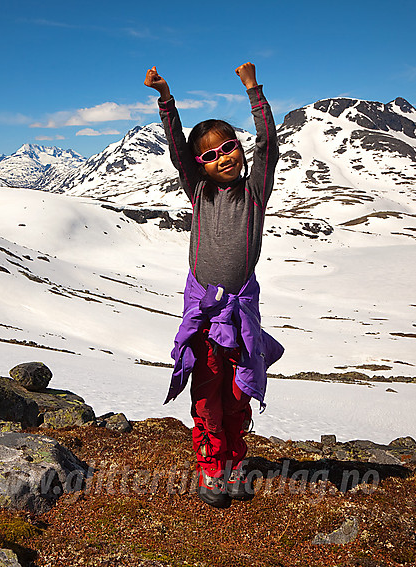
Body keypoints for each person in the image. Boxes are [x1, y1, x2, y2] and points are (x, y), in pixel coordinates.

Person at [144, 63, 284, 508]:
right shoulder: (198, 192)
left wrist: (252, 90)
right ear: (199, 166)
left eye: (228, 147)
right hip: (203, 309)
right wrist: (166, 98)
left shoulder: (254, 193)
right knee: (207, 388)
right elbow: (177, 152)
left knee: (238, 388)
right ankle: (210, 468)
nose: (222, 157)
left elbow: (269, 147)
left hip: (241, 307)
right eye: (209, 155)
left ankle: (236, 461)